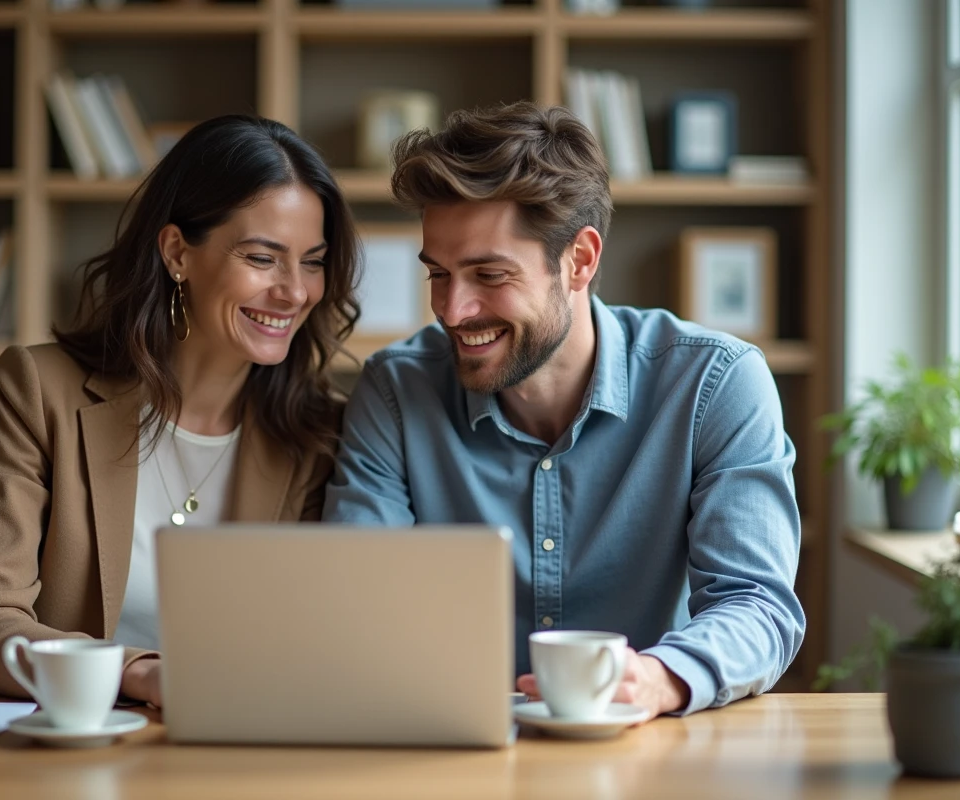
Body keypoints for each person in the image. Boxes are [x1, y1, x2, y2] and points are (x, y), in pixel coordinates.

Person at [322, 101, 804, 720]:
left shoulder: (715, 384)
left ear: (579, 260)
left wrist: (659, 678)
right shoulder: (395, 390)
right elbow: (354, 602)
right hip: (450, 752)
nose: (451, 309)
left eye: (488, 274)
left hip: (647, 750)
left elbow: (758, 604)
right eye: (438, 274)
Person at [0, 115, 360, 707]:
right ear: (176, 253)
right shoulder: (41, 390)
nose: (295, 291)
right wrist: (138, 674)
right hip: (62, 748)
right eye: (263, 258)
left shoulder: (320, 432)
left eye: (312, 261)